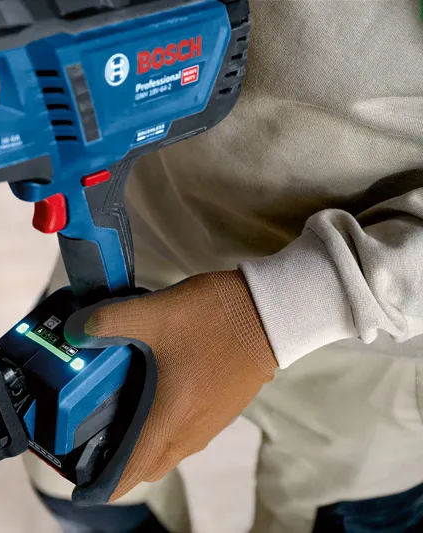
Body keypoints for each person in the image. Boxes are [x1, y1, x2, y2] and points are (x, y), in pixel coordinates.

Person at [25, 1, 423, 532]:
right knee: (75, 487)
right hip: (142, 235)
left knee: (337, 509)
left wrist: (259, 320)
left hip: (370, 326)